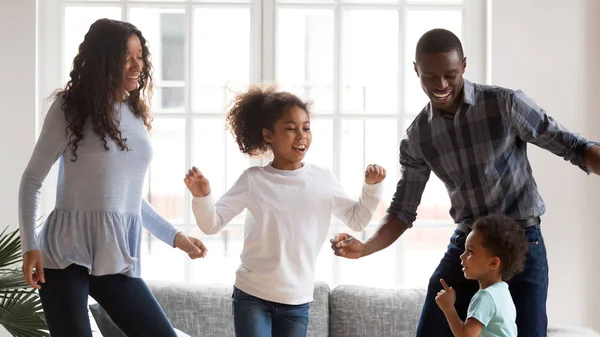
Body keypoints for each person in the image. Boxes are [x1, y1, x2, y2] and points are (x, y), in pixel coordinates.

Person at [330, 28, 600, 337]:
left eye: (450, 74)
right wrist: (365, 247)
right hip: (467, 245)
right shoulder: (418, 137)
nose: (441, 85)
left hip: (522, 243)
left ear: (465, 66)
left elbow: (573, 146)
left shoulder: (505, 104)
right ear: (416, 70)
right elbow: (403, 211)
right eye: (430, 76)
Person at [19, 18, 207, 337]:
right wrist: (29, 247)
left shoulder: (135, 112)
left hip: (115, 254)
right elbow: (32, 180)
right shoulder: (70, 107)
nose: (138, 65)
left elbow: (128, 198)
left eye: (140, 56)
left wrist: (176, 238)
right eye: (127, 57)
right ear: (104, 59)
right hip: (64, 254)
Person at [184, 85, 386, 337]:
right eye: (290, 129)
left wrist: (371, 188)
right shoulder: (253, 179)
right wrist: (202, 196)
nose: (301, 135)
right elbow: (211, 224)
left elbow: (357, 220)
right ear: (269, 135)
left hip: (297, 301)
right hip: (252, 296)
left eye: (306, 127)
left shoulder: (322, 179)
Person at [435, 214, 527, 337]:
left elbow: (466, 335)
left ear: (493, 262)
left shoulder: (485, 296)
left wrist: (448, 308)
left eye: (470, 251)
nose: (462, 256)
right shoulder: (503, 291)